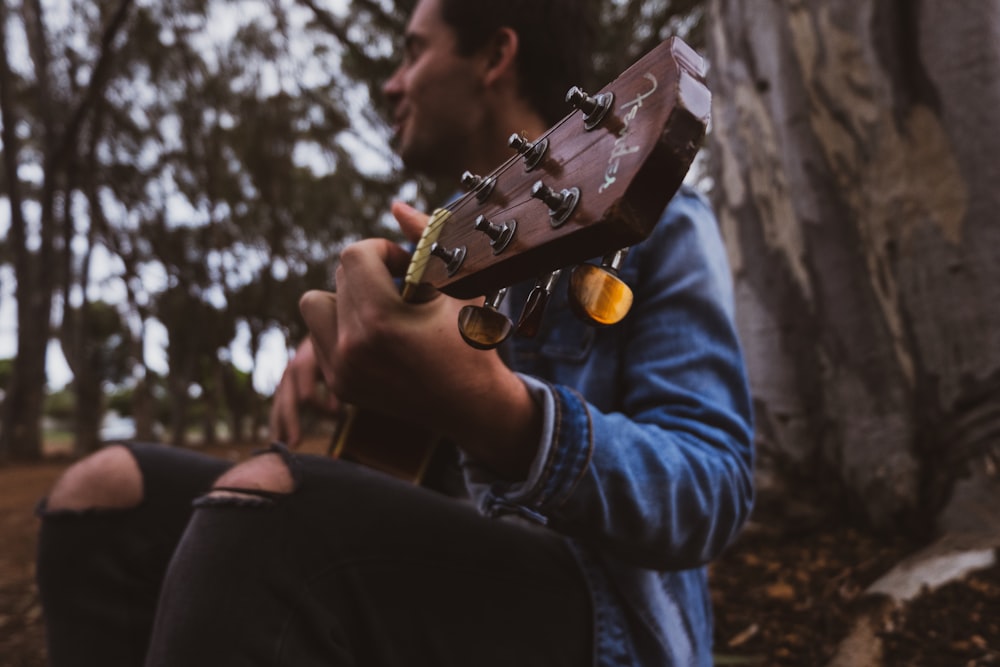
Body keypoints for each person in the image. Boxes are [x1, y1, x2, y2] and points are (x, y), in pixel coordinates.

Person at [35, 0, 755, 665]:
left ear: (494, 57)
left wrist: (504, 414)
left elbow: (713, 488)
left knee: (265, 512)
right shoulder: (452, 236)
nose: (391, 83)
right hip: (437, 586)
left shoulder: (657, 226)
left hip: (612, 628)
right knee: (102, 495)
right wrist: (341, 343)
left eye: (412, 52)